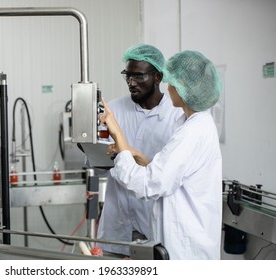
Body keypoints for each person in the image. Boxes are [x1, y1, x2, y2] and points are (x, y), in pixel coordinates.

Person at [99, 50, 223, 259]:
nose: (168, 87)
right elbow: (171, 175)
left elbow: (149, 185)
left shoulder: (192, 133)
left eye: (172, 82)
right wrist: (139, 157)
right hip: (176, 243)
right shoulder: (195, 124)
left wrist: (118, 135)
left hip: (185, 249)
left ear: (184, 87)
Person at [95, 44, 183, 257]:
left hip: (155, 225)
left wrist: (129, 159)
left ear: (158, 77)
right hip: (117, 225)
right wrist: (96, 151)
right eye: (128, 76)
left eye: (139, 77)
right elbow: (98, 169)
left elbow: (167, 177)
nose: (131, 83)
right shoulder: (113, 110)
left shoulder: (177, 116)